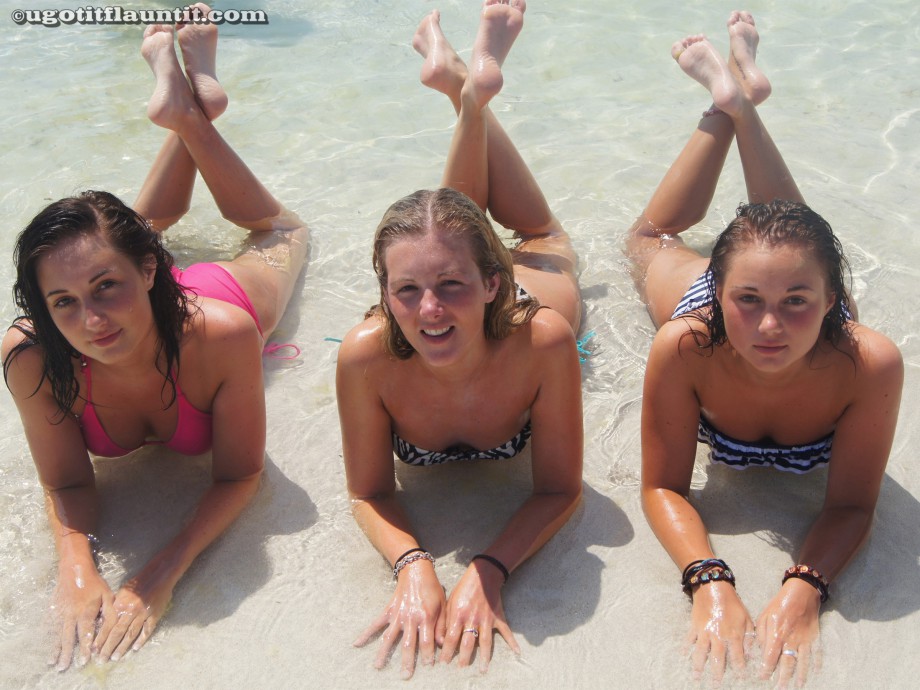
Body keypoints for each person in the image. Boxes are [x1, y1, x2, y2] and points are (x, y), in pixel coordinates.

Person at [1, 4, 307, 671]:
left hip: (208, 299)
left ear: (150, 276)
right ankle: (186, 103)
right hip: (142, 276)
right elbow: (67, 485)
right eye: (64, 303)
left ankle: (190, 109)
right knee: (110, 241)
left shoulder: (222, 333)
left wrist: (157, 574)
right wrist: (77, 571)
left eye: (104, 291)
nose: (90, 321)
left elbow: (241, 473)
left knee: (284, 232)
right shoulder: (30, 353)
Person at [626, 12, 903, 687]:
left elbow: (851, 505)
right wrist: (709, 582)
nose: (770, 327)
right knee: (648, 239)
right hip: (715, 313)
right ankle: (732, 106)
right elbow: (662, 485)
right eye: (746, 300)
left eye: (796, 305)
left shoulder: (867, 362)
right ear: (717, 294)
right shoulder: (687, 344)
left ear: (833, 301)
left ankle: (738, 99)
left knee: (789, 246)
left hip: (827, 329)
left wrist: (804, 587)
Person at [336, 0, 583, 677]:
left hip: (537, 282)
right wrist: (413, 566)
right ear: (384, 295)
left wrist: (490, 568)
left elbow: (561, 491)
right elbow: (366, 494)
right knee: (443, 236)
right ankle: (464, 90)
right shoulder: (367, 355)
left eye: (451, 289)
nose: (429, 312)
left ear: (493, 287)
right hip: (467, 259)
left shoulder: (543, 342)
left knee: (543, 240)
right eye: (406, 291)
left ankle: (467, 94)